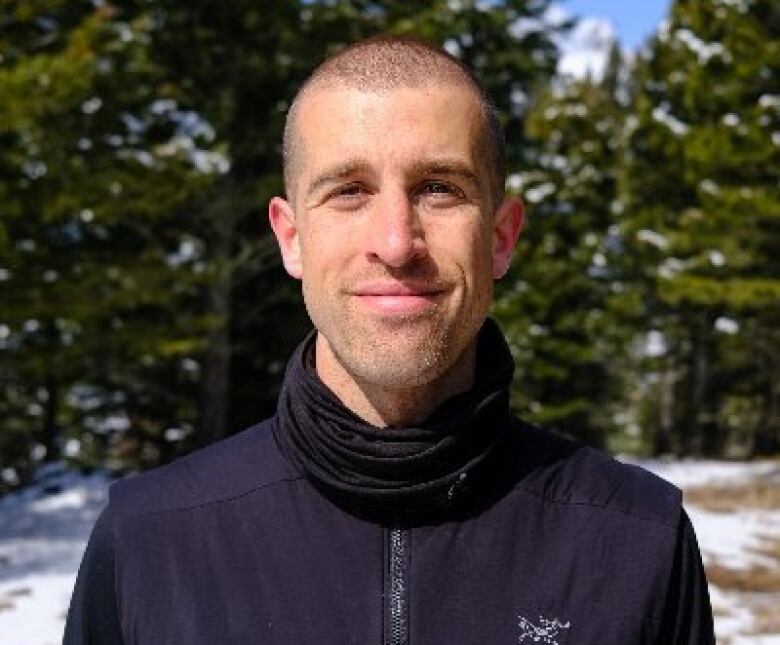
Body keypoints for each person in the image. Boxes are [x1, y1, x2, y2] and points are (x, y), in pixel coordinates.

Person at [64, 36, 714, 644]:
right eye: (348, 191)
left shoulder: (635, 541)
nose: (397, 242)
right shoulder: (149, 542)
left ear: (500, 236)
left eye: (439, 188)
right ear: (291, 236)